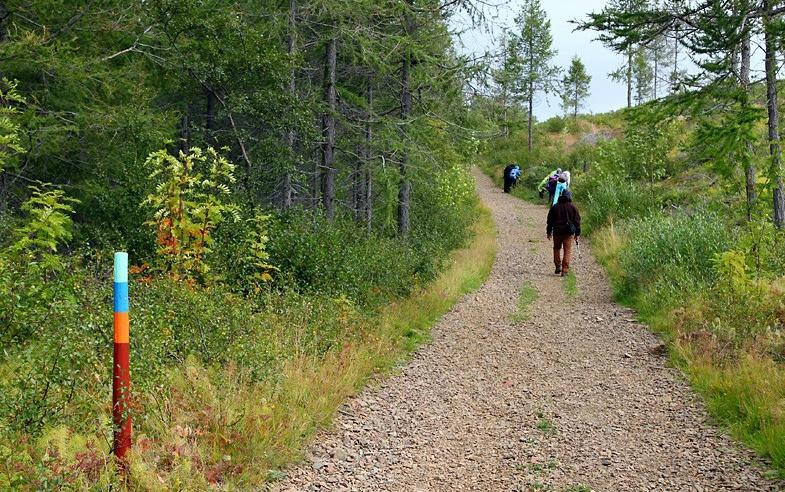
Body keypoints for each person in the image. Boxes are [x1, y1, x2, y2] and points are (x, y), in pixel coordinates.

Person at [546, 192, 581, 276]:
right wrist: (577, 233)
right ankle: (564, 270)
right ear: (570, 197)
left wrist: (549, 232)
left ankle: (558, 266)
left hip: (557, 232)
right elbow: (577, 222)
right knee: (567, 251)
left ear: (561, 196)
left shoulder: (555, 207)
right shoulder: (573, 207)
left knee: (556, 248)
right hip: (568, 233)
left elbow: (549, 221)